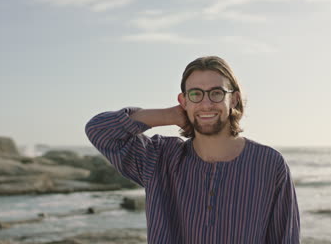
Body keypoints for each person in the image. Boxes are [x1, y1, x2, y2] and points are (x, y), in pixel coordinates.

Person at [85, 56, 300, 243]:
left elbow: (285, 238)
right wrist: (169, 116)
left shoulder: (269, 164)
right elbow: (100, 130)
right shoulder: (158, 158)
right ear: (183, 100)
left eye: (216, 93)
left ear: (233, 98)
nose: (206, 104)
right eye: (196, 94)